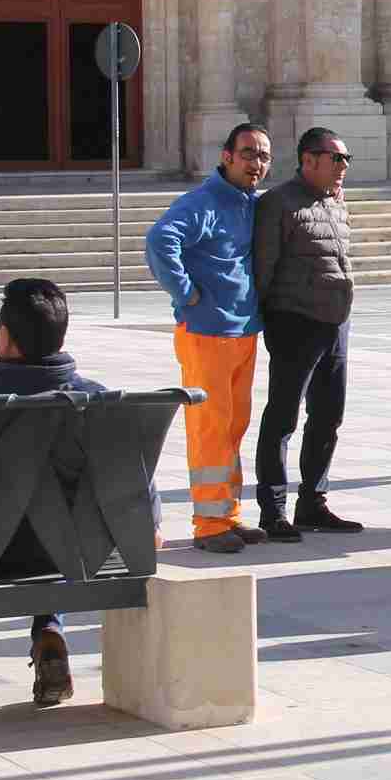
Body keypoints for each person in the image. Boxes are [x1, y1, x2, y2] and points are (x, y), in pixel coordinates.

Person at [0, 280, 106, 707]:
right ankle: (49, 629)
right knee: (55, 519)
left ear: (5, 339)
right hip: (74, 555)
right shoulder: (96, 400)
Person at [145, 122, 271, 554]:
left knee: (233, 428)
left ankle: (227, 514)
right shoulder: (204, 202)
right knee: (210, 429)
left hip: (242, 330)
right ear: (227, 156)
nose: (257, 163)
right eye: (249, 153)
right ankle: (208, 524)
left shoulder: (250, 203)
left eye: (264, 156)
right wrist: (187, 294)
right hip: (206, 332)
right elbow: (161, 240)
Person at [251, 127, 363, 540]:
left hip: (336, 324)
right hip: (294, 322)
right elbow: (263, 267)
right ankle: (273, 509)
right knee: (283, 417)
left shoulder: (336, 201)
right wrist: (266, 323)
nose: (343, 167)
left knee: (329, 415)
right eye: (336, 159)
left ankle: (313, 503)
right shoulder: (278, 203)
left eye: (346, 160)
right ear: (308, 159)